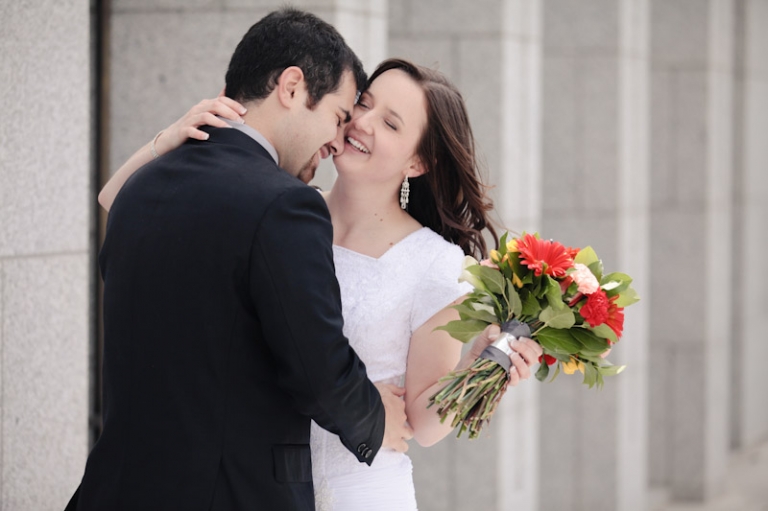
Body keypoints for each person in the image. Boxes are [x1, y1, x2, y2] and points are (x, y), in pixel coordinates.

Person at [100, 58, 543, 510]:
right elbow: (120, 203)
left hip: (361, 492)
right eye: (363, 104)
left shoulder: (433, 262)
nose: (362, 122)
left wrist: (481, 366)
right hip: (254, 486)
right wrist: (169, 139)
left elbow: (423, 425)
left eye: (390, 123)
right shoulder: (278, 212)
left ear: (418, 161)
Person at [66, 9, 416, 511]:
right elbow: (317, 370)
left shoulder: (140, 187)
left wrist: (163, 142)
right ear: (291, 87)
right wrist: (377, 421)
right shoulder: (285, 205)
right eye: (339, 117)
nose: (338, 140)